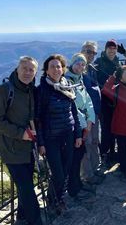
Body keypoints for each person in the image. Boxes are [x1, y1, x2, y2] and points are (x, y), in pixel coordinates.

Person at [0, 56, 43, 225]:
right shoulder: (5, 90)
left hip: (28, 148)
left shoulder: (31, 90)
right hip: (11, 148)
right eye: (24, 68)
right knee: (27, 188)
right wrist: (21, 134)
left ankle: (21, 219)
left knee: (25, 186)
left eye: (31, 70)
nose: (27, 72)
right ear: (17, 69)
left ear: (35, 73)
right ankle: (36, 221)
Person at [35, 54, 82, 214]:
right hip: (51, 138)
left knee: (66, 169)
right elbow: (38, 119)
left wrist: (78, 135)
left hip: (68, 135)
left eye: (59, 66)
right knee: (58, 173)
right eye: (52, 66)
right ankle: (53, 200)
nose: (56, 69)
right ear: (46, 71)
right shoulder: (42, 90)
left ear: (63, 69)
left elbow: (73, 112)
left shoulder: (67, 85)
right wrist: (40, 143)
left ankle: (57, 198)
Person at [65, 53, 96, 201]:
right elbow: (71, 107)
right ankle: (73, 188)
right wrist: (85, 123)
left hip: (83, 125)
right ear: (72, 63)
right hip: (74, 126)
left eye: (83, 64)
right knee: (74, 157)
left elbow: (88, 101)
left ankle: (77, 185)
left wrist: (91, 120)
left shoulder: (80, 80)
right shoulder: (67, 81)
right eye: (78, 63)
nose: (81, 66)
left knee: (79, 155)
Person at [81, 41, 106, 184]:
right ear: (82, 51)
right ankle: (87, 175)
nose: (91, 55)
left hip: (95, 113)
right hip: (85, 116)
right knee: (87, 143)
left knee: (95, 142)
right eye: (88, 51)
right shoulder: (77, 69)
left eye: (93, 52)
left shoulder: (91, 69)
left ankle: (95, 170)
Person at [95, 39, 122, 166]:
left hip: (115, 100)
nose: (112, 50)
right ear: (105, 49)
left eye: (114, 48)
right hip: (103, 100)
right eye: (110, 48)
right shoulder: (98, 62)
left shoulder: (117, 62)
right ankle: (105, 154)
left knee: (115, 126)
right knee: (106, 128)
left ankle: (112, 152)